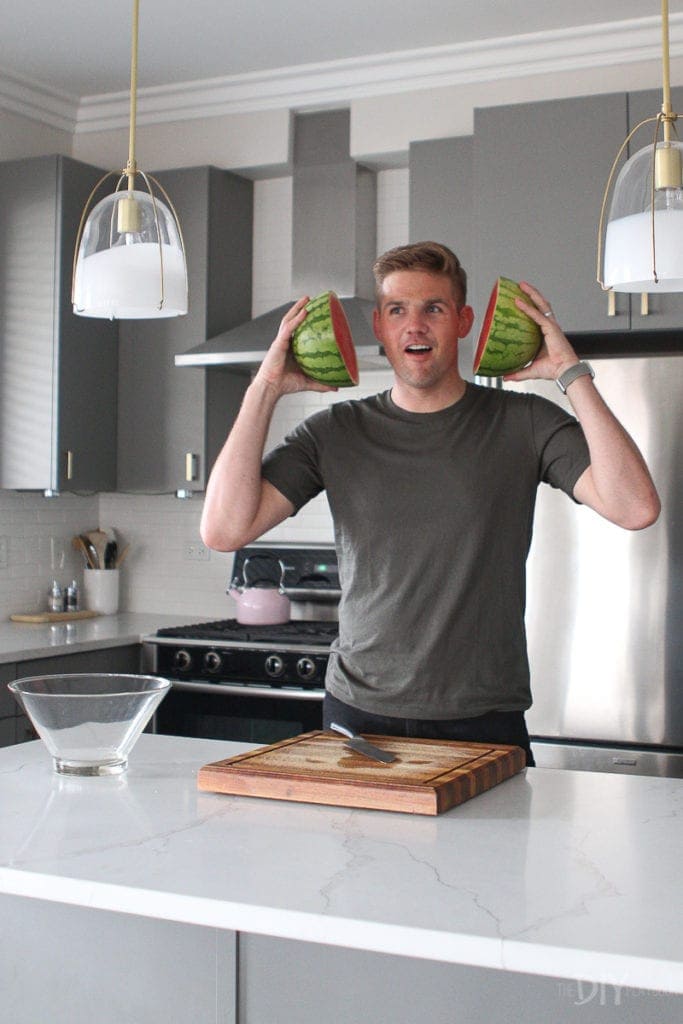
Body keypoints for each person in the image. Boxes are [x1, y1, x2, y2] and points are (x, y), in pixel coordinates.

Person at [201, 242, 660, 766]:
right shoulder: (334, 432)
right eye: (398, 310)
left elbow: (635, 507)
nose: (414, 326)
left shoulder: (523, 423)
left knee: (497, 851)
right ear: (379, 325)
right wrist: (265, 387)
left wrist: (569, 372)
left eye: (433, 309)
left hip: (484, 715)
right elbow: (223, 529)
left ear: (463, 321)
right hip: (359, 714)